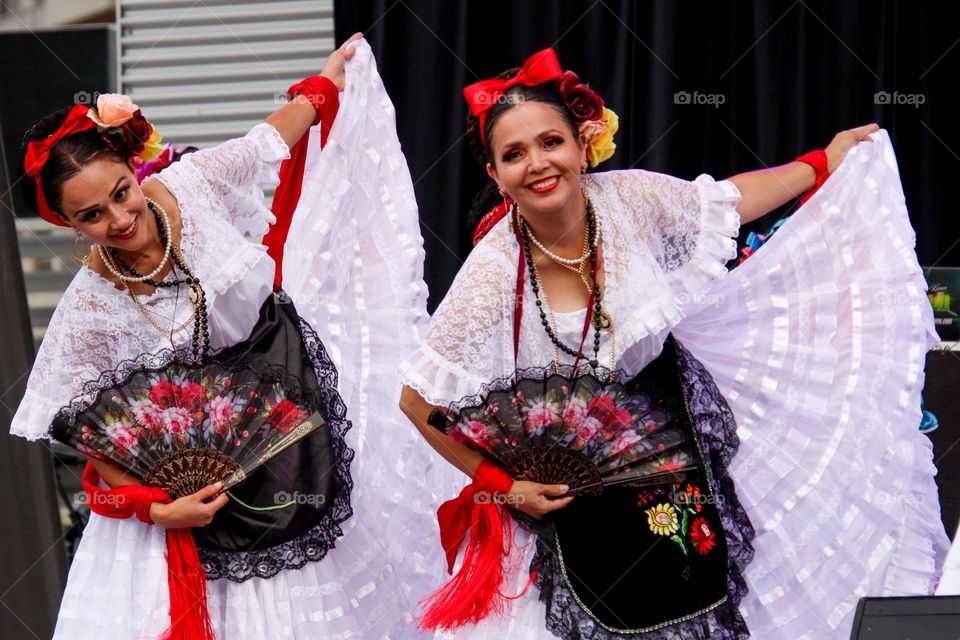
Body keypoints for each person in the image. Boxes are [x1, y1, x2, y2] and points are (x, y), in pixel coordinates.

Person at [399, 48, 948, 639]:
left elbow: (732, 201)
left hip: (671, 461)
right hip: (571, 514)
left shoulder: (629, 199)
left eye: (550, 142)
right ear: (496, 175)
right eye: (514, 154)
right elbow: (416, 402)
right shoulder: (492, 273)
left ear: (582, 145)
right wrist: (505, 487)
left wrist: (820, 163)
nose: (537, 163)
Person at [11, 34, 450, 639]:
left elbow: (271, 136)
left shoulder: (196, 184)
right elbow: (96, 434)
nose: (118, 219)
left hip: (292, 424)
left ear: (133, 172)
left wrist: (323, 86)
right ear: (69, 223)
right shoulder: (90, 305)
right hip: (190, 502)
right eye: (92, 216)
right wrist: (157, 507)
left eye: (120, 192)